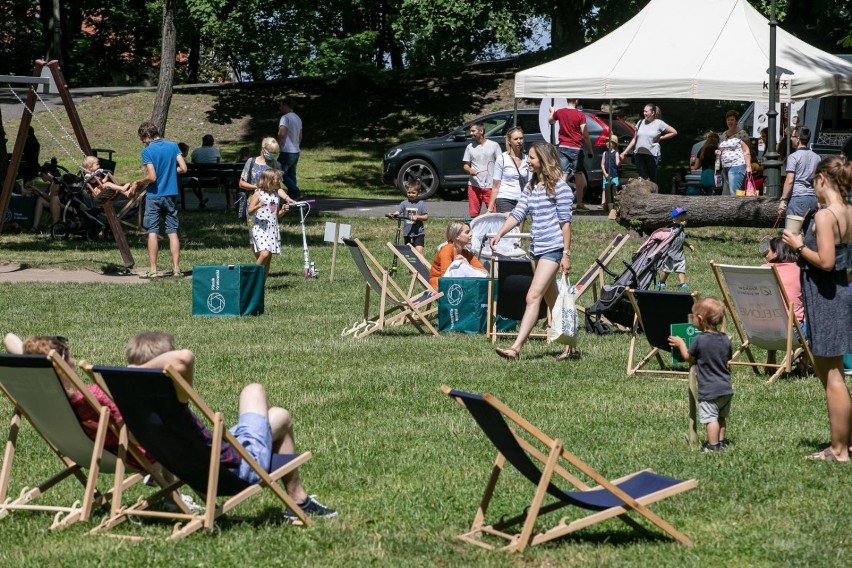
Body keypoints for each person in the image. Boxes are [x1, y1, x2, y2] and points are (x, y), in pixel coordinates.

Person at [125, 331, 337, 520]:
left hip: (200, 463)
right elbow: (185, 357)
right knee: (253, 390)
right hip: (233, 469)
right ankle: (298, 501)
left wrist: (131, 374)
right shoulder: (171, 398)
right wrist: (145, 371)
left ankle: (298, 499)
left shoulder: (131, 406)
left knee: (279, 416)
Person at [781, 155, 852, 462]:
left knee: (833, 375)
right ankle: (845, 443)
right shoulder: (848, 211)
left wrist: (797, 245)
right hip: (840, 292)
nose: (814, 189)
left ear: (823, 178)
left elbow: (825, 261)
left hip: (826, 297)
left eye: (814, 183)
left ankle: (838, 450)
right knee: (833, 374)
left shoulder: (825, 216)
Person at [3, 333, 156, 471]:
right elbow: (134, 436)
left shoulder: (37, 396)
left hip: (78, 452)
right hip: (125, 455)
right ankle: (169, 492)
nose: (73, 361)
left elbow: (9, 338)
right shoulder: (93, 397)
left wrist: (33, 359)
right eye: (70, 357)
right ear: (65, 364)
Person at [489, 141, 576, 361]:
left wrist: (566, 254)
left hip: (553, 249)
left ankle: (515, 348)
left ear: (544, 160)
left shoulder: (561, 188)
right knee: (553, 301)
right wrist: (500, 233)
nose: (528, 161)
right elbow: (518, 213)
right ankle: (570, 344)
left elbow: (565, 223)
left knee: (532, 296)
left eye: (532, 157)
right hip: (536, 249)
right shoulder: (530, 187)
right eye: (528, 157)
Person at [668, 297, 734, 453]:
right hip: (726, 388)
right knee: (721, 417)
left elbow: (688, 357)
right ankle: (721, 441)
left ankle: (712, 446)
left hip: (709, 390)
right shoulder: (725, 340)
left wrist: (681, 343)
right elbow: (727, 361)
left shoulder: (699, 340)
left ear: (699, 319)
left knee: (711, 419)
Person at [129, 121, 188, 279]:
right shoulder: (173, 146)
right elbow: (183, 168)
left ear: (147, 135)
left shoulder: (147, 151)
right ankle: (176, 269)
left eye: (142, 138)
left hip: (154, 195)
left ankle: (153, 270)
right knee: (172, 231)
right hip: (171, 194)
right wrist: (169, 170)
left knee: (153, 231)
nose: (143, 141)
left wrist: (138, 182)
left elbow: (152, 177)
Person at [761, 236, 805, 371]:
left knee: (772, 313)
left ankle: (770, 360)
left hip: (760, 331)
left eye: (768, 251)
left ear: (777, 252)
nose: (766, 254)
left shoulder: (762, 270)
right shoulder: (800, 270)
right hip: (791, 333)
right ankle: (804, 363)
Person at [249, 168, 296, 278]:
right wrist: (257, 206)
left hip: (272, 228)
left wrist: (283, 211)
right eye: (277, 179)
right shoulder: (258, 194)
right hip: (260, 227)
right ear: (269, 180)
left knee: (269, 257)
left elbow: (275, 214)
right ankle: (252, 276)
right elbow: (250, 211)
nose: (279, 180)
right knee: (264, 253)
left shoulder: (275, 195)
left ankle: (261, 285)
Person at [548, 99, 592, 208]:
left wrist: (552, 111)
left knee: (563, 174)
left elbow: (551, 121)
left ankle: (561, 202)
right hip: (577, 148)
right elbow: (585, 133)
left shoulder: (560, 112)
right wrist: (590, 149)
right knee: (578, 174)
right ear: (576, 100)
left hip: (563, 146)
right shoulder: (580, 114)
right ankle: (580, 203)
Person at [620, 103, 676, 184]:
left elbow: (674, 132)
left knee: (652, 179)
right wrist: (625, 152)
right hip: (639, 154)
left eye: (646, 111)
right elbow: (634, 139)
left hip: (652, 155)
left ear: (652, 113)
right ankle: (645, 196)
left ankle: (653, 195)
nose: (644, 113)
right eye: (644, 111)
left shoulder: (659, 123)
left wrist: (661, 138)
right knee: (643, 178)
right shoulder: (640, 122)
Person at [429, 220, 487, 290]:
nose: (471, 234)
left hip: (459, 286)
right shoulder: (447, 250)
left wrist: (467, 265)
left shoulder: (466, 253)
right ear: (457, 236)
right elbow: (446, 277)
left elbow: (485, 274)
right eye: (467, 232)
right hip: (440, 287)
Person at [778, 126, 820, 218]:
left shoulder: (793, 157)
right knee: (809, 232)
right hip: (812, 199)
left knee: (791, 231)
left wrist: (783, 200)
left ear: (798, 139)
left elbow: (789, 180)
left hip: (797, 198)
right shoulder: (817, 157)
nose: (790, 139)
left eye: (792, 137)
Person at [237, 138, 282, 221]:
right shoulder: (251, 162)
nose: (272, 155)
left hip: (270, 203)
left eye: (274, 153)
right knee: (254, 230)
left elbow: (278, 187)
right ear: (263, 149)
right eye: (270, 152)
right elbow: (241, 183)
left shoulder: (276, 165)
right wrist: (256, 187)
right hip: (253, 202)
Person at [462, 123, 501, 218]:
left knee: (494, 214)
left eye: (473, 131)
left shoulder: (494, 145)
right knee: (473, 214)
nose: (471, 133)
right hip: (474, 186)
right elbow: (465, 165)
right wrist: (470, 170)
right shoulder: (469, 147)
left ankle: (494, 232)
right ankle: (475, 232)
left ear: (481, 131)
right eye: (470, 131)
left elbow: (501, 163)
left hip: (491, 186)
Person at [487, 126, 528, 214]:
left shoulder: (527, 158)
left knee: (519, 228)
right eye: (515, 139)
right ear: (509, 141)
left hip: (522, 200)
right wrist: (489, 209)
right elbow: (495, 186)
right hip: (505, 198)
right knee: (510, 227)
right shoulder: (502, 158)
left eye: (521, 138)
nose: (519, 141)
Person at [716, 110, 752, 196]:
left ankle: (737, 209)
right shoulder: (724, 134)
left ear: (736, 121)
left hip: (737, 165)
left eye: (732, 119)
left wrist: (748, 166)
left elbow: (747, 151)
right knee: (726, 193)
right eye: (728, 120)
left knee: (734, 192)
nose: (729, 122)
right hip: (725, 166)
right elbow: (721, 149)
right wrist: (718, 152)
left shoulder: (742, 134)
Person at [657, 207, 694, 289]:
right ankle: (661, 282)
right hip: (670, 255)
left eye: (685, 220)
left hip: (680, 255)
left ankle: (682, 284)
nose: (684, 221)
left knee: (681, 269)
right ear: (674, 220)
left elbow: (681, 240)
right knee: (667, 270)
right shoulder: (673, 229)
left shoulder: (681, 230)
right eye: (681, 220)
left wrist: (688, 245)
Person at [389, 178, 428, 255]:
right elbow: (398, 212)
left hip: (418, 233)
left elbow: (426, 217)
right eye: (409, 192)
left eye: (413, 193)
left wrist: (417, 217)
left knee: (419, 251)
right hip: (407, 233)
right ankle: (410, 267)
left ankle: (420, 266)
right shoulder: (404, 203)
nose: (410, 194)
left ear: (418, 192)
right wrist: (394, 214)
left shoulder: (421, 204)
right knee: (409, 254)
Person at [276, 97, 303, 200]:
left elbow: (281, 134)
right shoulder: (297, 118)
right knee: (291, 174)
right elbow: (300, 135)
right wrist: (297, 145)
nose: (280, 107)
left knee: (278, 171)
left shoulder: (285, 118)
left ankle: (296, 192)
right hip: (296, 150)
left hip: (286, 150)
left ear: (286, 105)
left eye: (281, 105)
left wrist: (276, 145)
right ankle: (293, 198)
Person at [189, 134, 222, 209]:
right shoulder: (216, 151)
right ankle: (230, 204)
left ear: (203, 141)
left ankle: (201, 200)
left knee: (195, 184)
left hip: (201, 180)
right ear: (212, 142)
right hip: (214, 180)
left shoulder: (195, 152)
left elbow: (194, 166)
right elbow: (218, 165)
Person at [600, 134, 620, 212]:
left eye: (610, 142)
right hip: (606, 175)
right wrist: (605, 174)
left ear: (614, 144)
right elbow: (602, 164)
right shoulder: (605, 153)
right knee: (604, 189)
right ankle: (603, 203)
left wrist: (620, 161)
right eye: (607, 142)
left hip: (614, 175)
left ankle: (615, 203)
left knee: (614, 188)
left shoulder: (616, 153)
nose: (607, 143)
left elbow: (617, 163)